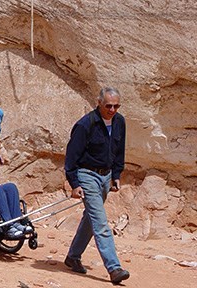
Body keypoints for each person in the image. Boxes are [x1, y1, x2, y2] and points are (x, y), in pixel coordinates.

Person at [63, 87, 130, 284]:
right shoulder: (85, 125)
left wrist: (116, 174)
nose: (112, 110)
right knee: (100, 222)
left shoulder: (120, 122)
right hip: (87, 175)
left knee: (91, 218)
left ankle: (73, 256)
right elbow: (71, 157)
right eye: (108, 105)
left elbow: (119, 150)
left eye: (116, 106)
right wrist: (74, 183)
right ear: (99, 102)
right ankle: (114, 268)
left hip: (105, 176)